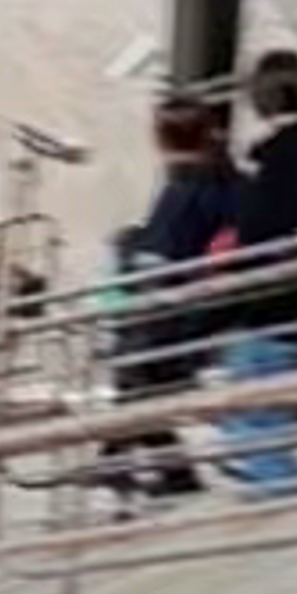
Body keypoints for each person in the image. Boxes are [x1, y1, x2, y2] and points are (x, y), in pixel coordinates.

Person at [206, 47, 297, 493]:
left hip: (267, 295)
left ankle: (275, 483)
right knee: (267, 394)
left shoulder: (264, 158)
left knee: (255, 396)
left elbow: (250, 231)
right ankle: (261, 469)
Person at [104, 88, 240, 492]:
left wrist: (129, 246)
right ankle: (123, 462)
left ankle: (144, 466)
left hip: (179, 311)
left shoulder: (183, 190)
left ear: (161, 140)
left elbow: (162, 256)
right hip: (201, 303)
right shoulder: (225, 181)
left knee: (134, 372)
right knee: (136, 378)